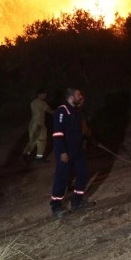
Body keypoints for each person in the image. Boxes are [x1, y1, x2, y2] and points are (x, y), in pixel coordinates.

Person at [49, 88, 94, 217]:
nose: (81, 96)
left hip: (78, 151)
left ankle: (77, 202)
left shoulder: (76, 112)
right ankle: (56, 206)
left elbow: (81, 131)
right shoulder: (61, 111)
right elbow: (57, 134)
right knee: (62, 178)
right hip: (65, 152)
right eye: (79, 95)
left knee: (83, 174)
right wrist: (62, 152)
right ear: (71, 97)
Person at [22, 88, 53, 163]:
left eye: (45, 93)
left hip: (33, 124)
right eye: (44, 93)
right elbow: (50, 111)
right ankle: (38, 157)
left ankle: (26, 154)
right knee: (41, 141)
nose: (45, 95)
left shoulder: (33, 102)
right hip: (39, 124)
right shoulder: (42, 103)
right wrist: (59, 111)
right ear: (39, 94)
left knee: (33, 140)